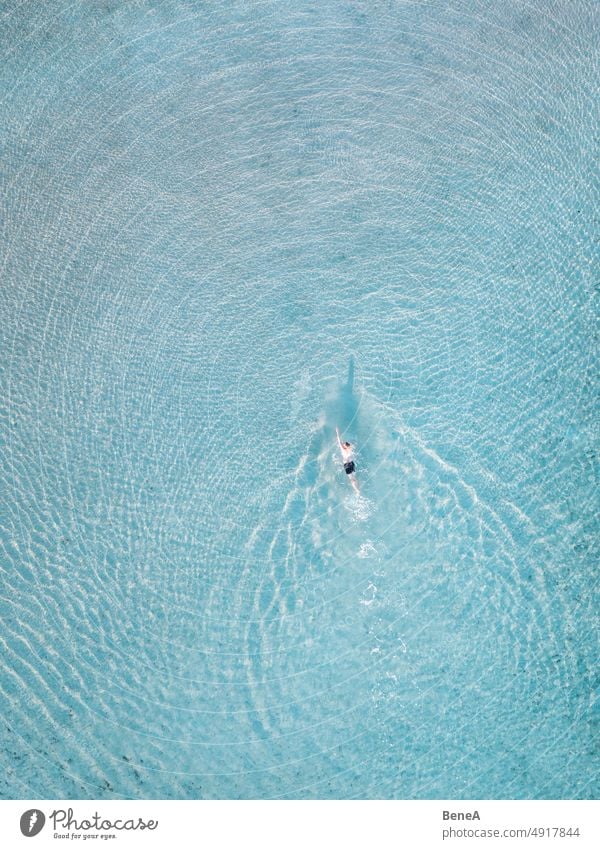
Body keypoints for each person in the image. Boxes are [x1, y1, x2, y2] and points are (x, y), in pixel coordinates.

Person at [336, 426, 359, 494]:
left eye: (343, 444)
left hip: (347, 464)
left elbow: (339, 441)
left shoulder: (343, 449)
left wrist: (337, 433)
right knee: (354, 477)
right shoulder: (350, 449)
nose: (342, 444)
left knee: (351, 479)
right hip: (351, 463)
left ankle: (356, 490)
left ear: (345, 446)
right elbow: (345, 443)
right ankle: (358, 488)